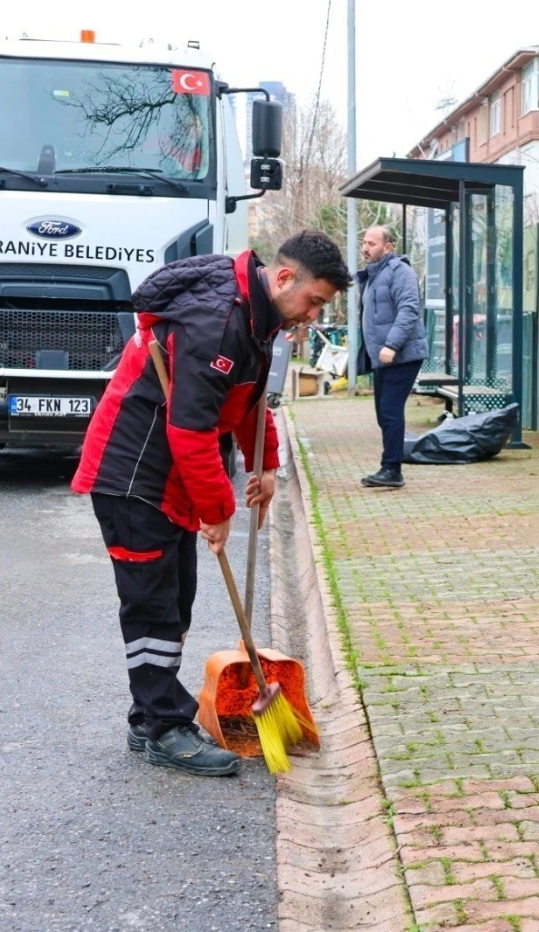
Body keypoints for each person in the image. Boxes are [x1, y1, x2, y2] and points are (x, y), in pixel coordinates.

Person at [71, 231, 351, 776]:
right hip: (133, 473)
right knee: (152, 606)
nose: (314, 315)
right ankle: (164, 727)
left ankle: (147, 715)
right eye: (314, 301)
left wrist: (266, 465)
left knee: (177, 599)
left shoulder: (258, 316)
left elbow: (249, 402)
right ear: (284, 278)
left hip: (170, 477)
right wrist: (218, 511)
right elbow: (191, 429)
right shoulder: (215, 322)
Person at [356, 225, 428, 489]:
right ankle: (390, 466)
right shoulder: (374, 275)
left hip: (402, 355)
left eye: (372, 244)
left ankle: (392, 469)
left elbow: (409, 309)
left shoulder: (401, 272)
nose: (366, 248)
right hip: (383, 357)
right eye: (364, 243)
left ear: (388, 247)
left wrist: (392, 344)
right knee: (383, 413)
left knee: (390, 410)